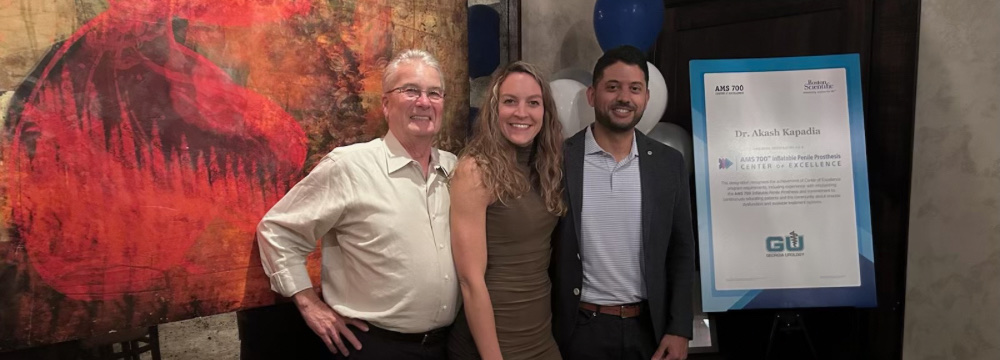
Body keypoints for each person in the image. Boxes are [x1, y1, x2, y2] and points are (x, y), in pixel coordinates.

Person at [256, 49, 459, 360]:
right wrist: (309, 304)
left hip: (446, 346)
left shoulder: (454, 169)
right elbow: (277, 231)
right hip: (372, 347)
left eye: (434, 93)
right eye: (411, 91)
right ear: (385, 104)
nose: (424, 102)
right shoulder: (349, 166)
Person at [550, 45, 695, 360]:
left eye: (634, 89)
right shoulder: (561, 160)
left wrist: (680, 328)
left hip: (650, 331)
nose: (623, 98)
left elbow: (682, 252)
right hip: (579, 331)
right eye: (612, 87)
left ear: (646, 97)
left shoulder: (669, 164)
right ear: (592, 95)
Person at [448, 61, 565, 360]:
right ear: (493, 109)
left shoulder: (547, 167)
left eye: (533, 103)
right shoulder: (476, 171)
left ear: (545, 112)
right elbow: (470, 281)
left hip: (541, 337)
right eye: (510, 101)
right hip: (493, 343)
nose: (521, 113)